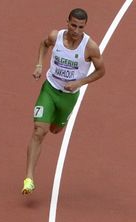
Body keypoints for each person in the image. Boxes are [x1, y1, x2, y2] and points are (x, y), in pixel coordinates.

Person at [22, 8, 105, 195]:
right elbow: (44, 45)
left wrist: (80, 82)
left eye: (80, 27)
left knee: (55, 130)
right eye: (73, 25)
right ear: (67, 22)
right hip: (50, 89)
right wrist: (39, 65)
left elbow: (101, 71)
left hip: (69, 97)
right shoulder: (55, 36)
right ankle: (29, 178)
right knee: (38, 131)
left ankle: (61, 120)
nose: (76, 30)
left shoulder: (90, 47)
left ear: (85, 27)